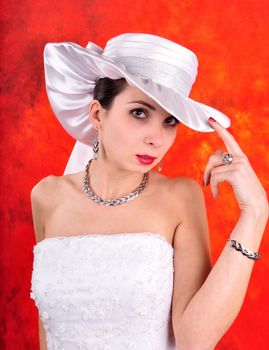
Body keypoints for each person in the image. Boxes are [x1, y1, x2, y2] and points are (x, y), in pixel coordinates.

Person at [29, 33, 268, 350]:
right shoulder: (47, 197)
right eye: (139, 113)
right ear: (98, 114)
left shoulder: (180, 198)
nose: (157, 138)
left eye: (169, 121)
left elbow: (195, 341)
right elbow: (49, 328)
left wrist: (254, 215)